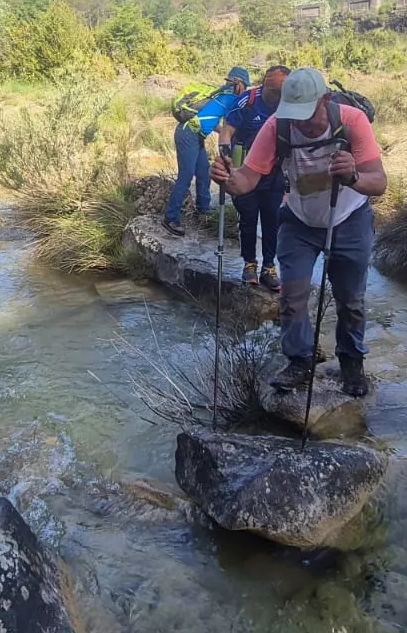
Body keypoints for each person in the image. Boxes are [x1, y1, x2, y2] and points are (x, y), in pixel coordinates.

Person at [211, 67, 386, 398]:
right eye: (293, 114)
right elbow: (247, 180)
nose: (300, 123)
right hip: (299, 221)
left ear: (325, 99)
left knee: (351, 301)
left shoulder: (351, 122)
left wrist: (352, 177)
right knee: (292, 297)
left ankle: (351, 364)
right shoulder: (277, 126)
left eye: (306, 114)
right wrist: (227, 179)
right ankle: (300, 360)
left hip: (349, 218)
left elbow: (379, 182)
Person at [219, 65, 289, 289]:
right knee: (248, 220)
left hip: (274, 173)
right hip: (244, 171)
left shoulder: (289, 105)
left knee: (272, 220)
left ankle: (269, 266)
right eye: (275, 93)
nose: (278, 99)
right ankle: (249, 264)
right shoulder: (248, 100)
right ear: (266, 85)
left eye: (282, 94)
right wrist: (225, 152)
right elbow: (227, 130)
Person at [164, 66, 249, 236]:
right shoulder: (230, 99)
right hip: (188, 134)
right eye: (245, 86)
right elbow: (230, 126)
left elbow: (211, 121)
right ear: (239, 83)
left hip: (195, 134)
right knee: (186, 176)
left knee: (203, 172)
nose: (245, 90)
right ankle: (170, 218)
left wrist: (223, 131)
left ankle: (203, 210)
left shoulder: (219, 95)